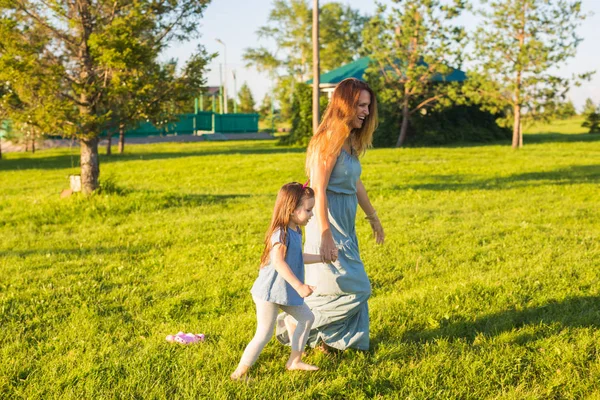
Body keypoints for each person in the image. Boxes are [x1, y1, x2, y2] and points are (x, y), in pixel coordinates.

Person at [276, 78, 384, 352]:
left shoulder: (350, 141)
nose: (366, 111)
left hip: (345, 224)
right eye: (360, 105)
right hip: (328, 222)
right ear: (345, 104)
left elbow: (355, 183)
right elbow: (318, 189)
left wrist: (373, 217)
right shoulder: (330, 140)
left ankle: (335, 342)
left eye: (368, 106)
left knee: (334, 286)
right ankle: (295, 325)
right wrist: (325, 233)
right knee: (356, 287)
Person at [231, 182, 323, 380]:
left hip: (285, 291)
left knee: (307, 318)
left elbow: (297, 257)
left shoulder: (296, 230)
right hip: (270, 293)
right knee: (264, 333)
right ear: (291, 209)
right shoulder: (280, 233)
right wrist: (299, 286)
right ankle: (240, 373)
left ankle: (294, 361)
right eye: (308, 210)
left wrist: (323, 257)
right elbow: (278, 261)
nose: (311, 214)